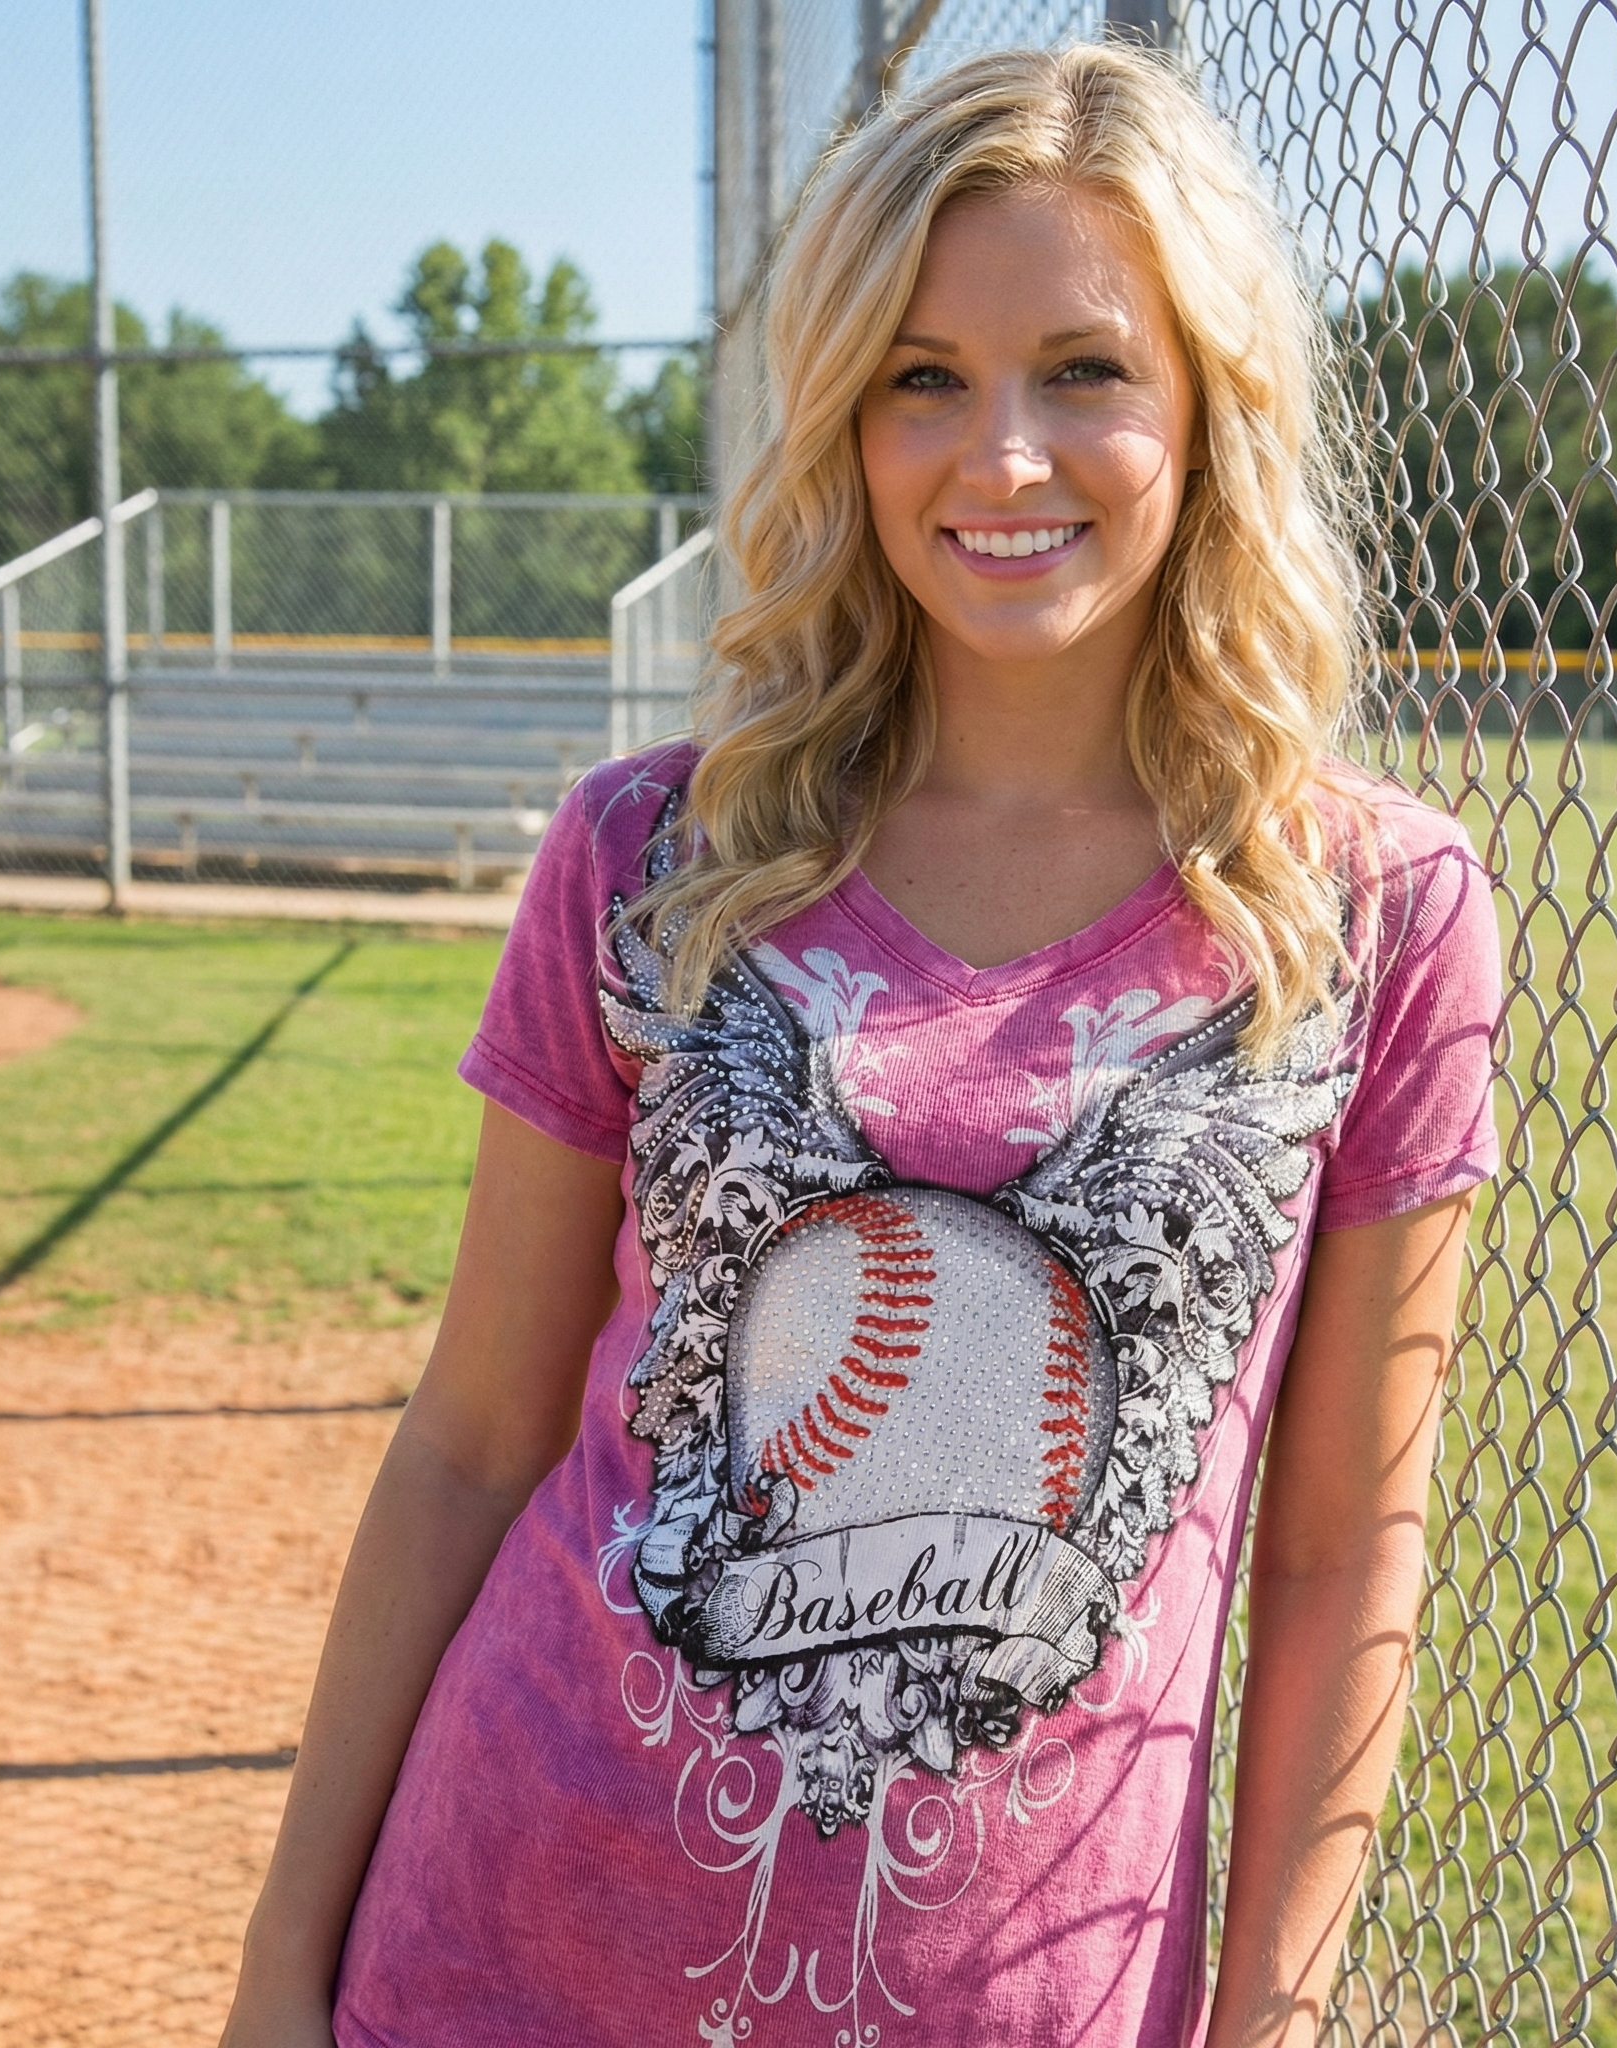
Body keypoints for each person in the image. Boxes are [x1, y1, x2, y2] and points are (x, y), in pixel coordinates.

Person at [221, 38, 1500, 2048]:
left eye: (1082, 368)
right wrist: (281, 1961)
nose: (1001, 454)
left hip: (1024, 2003)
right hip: (512, 1945)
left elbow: (1343, 1548)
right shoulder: (653, 854)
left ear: (1203, 406)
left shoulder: (1368, 914)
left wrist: (1273, 2012)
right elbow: (474, 1438)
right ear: (845, 418)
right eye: (923, 376)